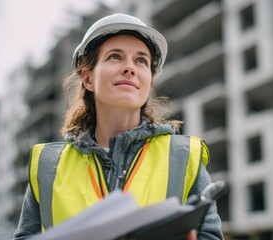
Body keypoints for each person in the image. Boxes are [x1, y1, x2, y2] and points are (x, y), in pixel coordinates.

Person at [13, 13, 223, 240]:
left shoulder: (184, 158)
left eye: (141, 60)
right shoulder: (47, 166)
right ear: (88, 79)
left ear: (149, 81)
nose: (130, 68)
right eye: (115, 57)